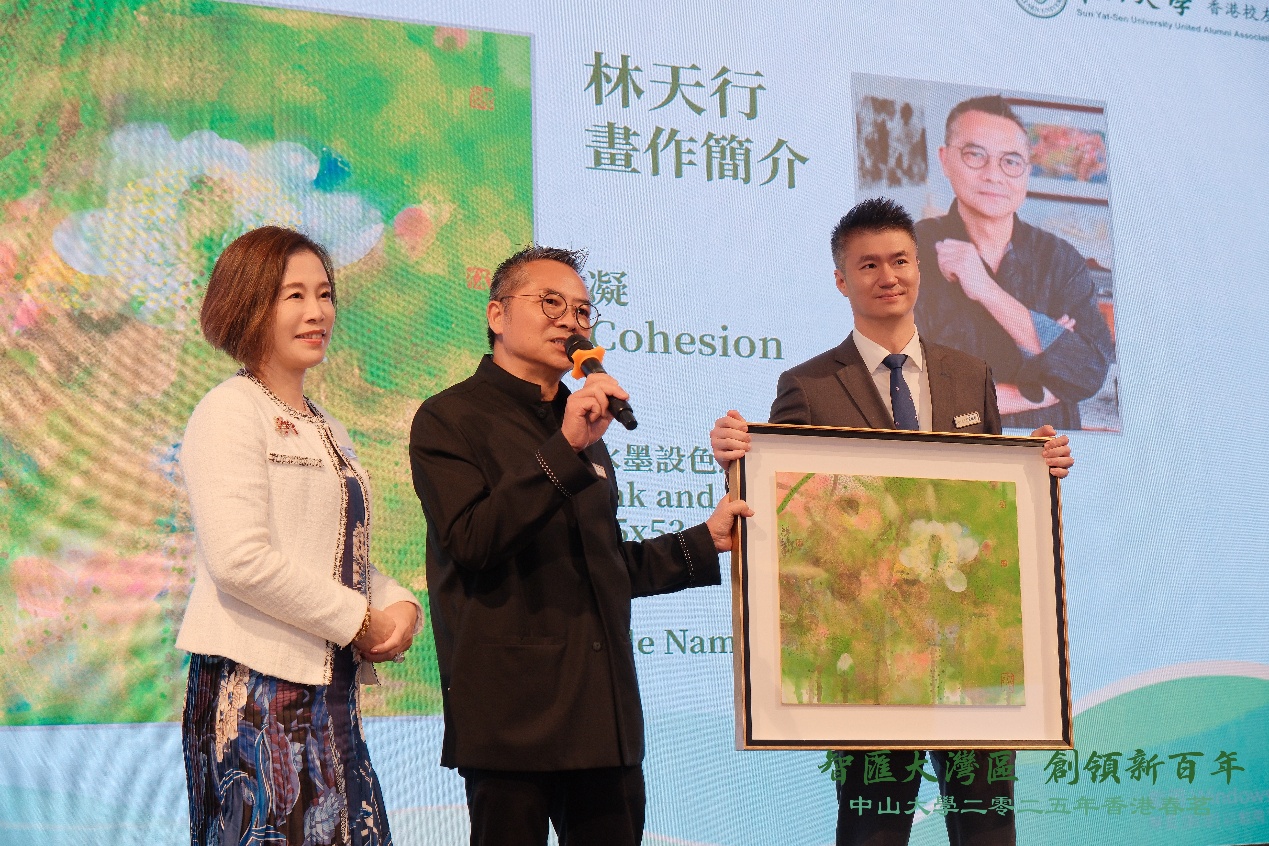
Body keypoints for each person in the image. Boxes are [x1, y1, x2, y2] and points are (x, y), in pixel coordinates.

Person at [710, 198, 1074, 846]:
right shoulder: (809, 386)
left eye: (900, 261)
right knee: (872, 827)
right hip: (871, 648)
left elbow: (995, 508)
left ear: (919, 268)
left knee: (987, 826)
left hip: (971, 647)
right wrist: (736, 466)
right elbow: (783, 508)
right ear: (841, 280)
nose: (888, 276)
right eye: (868, 264)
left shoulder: (971, 375)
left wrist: (1036, 467)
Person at [408, 245, 751, 846]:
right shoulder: (449, 418)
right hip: (513, 722)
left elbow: (602, 563)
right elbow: (473, 542)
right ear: (496, 314)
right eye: (551, 303)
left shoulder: (580, 419)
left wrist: (706, 539)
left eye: (583, 311)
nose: (570, 321)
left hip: (603, 718)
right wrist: (564, 449)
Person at [176, 226, 422, 846]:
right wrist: (358, 620)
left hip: (329, 695)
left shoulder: (329, 426)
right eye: (295, 296)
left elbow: (333, 551)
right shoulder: (228, 410)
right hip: (254, 698)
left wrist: (398, 604)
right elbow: (239, 560)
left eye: (325, 294)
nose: (318, 312)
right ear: (249, 304)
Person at [913, 94, 1114, 430]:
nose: (994, 175)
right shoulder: (907, 252)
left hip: (1049, 454)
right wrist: (1038, 390)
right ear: (945, 160)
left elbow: (1087, 373)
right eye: (975, 155)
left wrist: (986, 290)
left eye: (1011, 161)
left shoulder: (1059, 259)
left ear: (1027, 173)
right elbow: (911, 396)